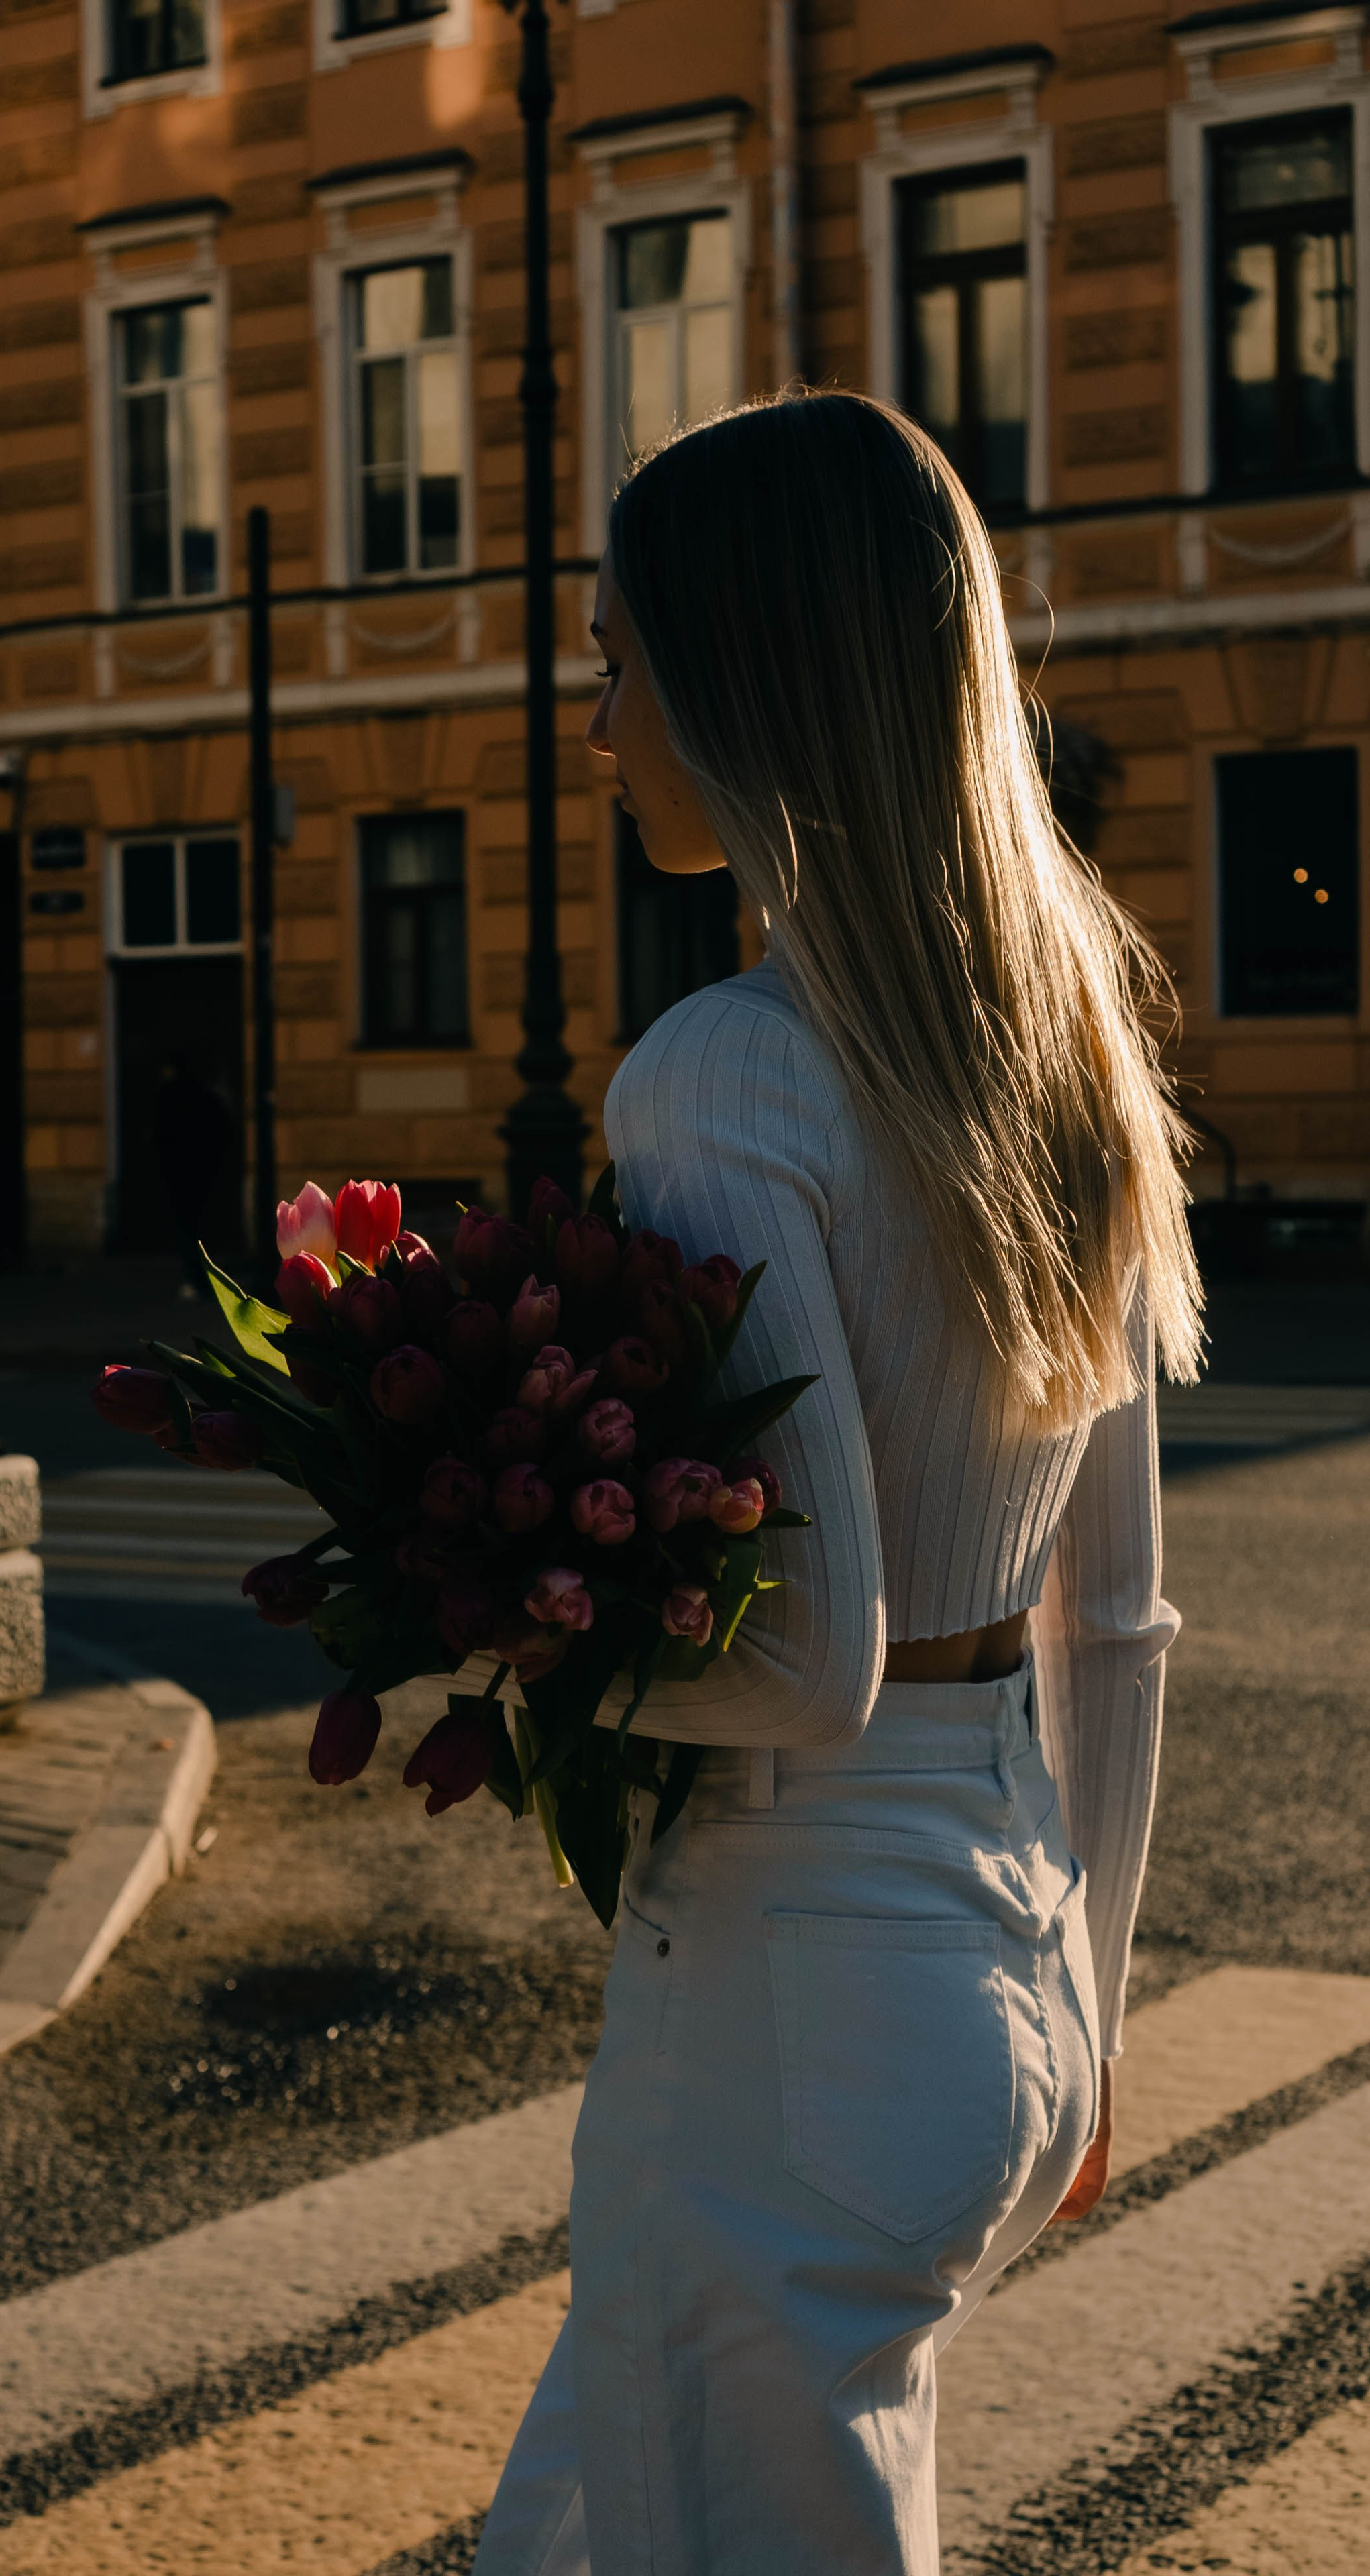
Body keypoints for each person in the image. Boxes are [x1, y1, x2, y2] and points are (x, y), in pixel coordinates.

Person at [472, 392, 1200, 2575]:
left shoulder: (722, 1079)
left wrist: (525, 1643)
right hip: (1001, 1973)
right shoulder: (1064, 1049)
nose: (598, 723)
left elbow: (802, 1657)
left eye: (617, 665)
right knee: (579, 2528)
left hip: (788, 2003)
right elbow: (1121, 1617)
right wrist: (1095, 2007)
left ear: (742, 677)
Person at [152, 1052, 237, 1299]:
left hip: (181, 1173)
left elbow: (160, 1134)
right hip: (200, 1173)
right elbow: (223, 1129)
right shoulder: (203, 1097)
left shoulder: (170, 1098)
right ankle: (204, 1279)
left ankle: (195, 1277)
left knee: (187, 1228)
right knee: (200, 1228)